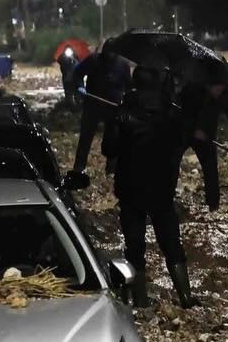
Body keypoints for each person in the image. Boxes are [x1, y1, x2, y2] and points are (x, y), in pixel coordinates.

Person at [105, 66, 197, 309]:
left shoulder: (124, 112)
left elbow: (109, 148)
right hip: (162, 188)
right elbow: (182, 143)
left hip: (130, 188)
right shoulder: (172, 112)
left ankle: (140, 299)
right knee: (171, 243)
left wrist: (118, 121)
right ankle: (185, 297)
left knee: (135, 246)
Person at [176, 69, 228, 210]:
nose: (219, 92)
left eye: (222, 89)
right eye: (217, 89)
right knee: (172, 162)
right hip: (184, 132)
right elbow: (179, 113)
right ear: (208, 84)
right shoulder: (191, 89)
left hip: (207, 135)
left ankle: (213, 205)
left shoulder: (225, 95)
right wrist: (193, 130)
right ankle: (167, 198)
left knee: (211, 170)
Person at [69, 40, 133, 179]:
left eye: (112, 52)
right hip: (93, 103)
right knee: (86, 137)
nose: (110, 55)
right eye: (108, 52)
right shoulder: (94, 60)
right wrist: (80, 87)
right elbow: (77, 73)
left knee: (112, 138)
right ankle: (79, 168)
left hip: (113, 106)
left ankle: (111, 169)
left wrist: (126, 100)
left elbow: (128, 85)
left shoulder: (123, 64)